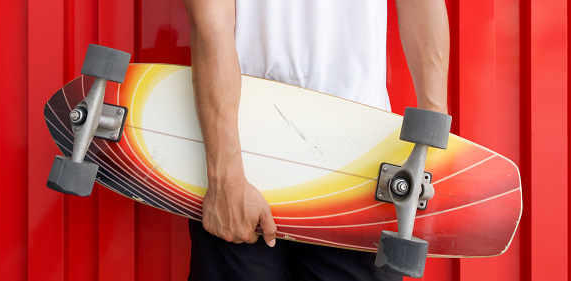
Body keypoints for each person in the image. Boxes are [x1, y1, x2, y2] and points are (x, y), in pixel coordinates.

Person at [182, 0, 450, 280]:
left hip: (359, 167)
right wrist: (226, 177)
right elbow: (210, 26)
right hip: (244, 161)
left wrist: (431, 138)